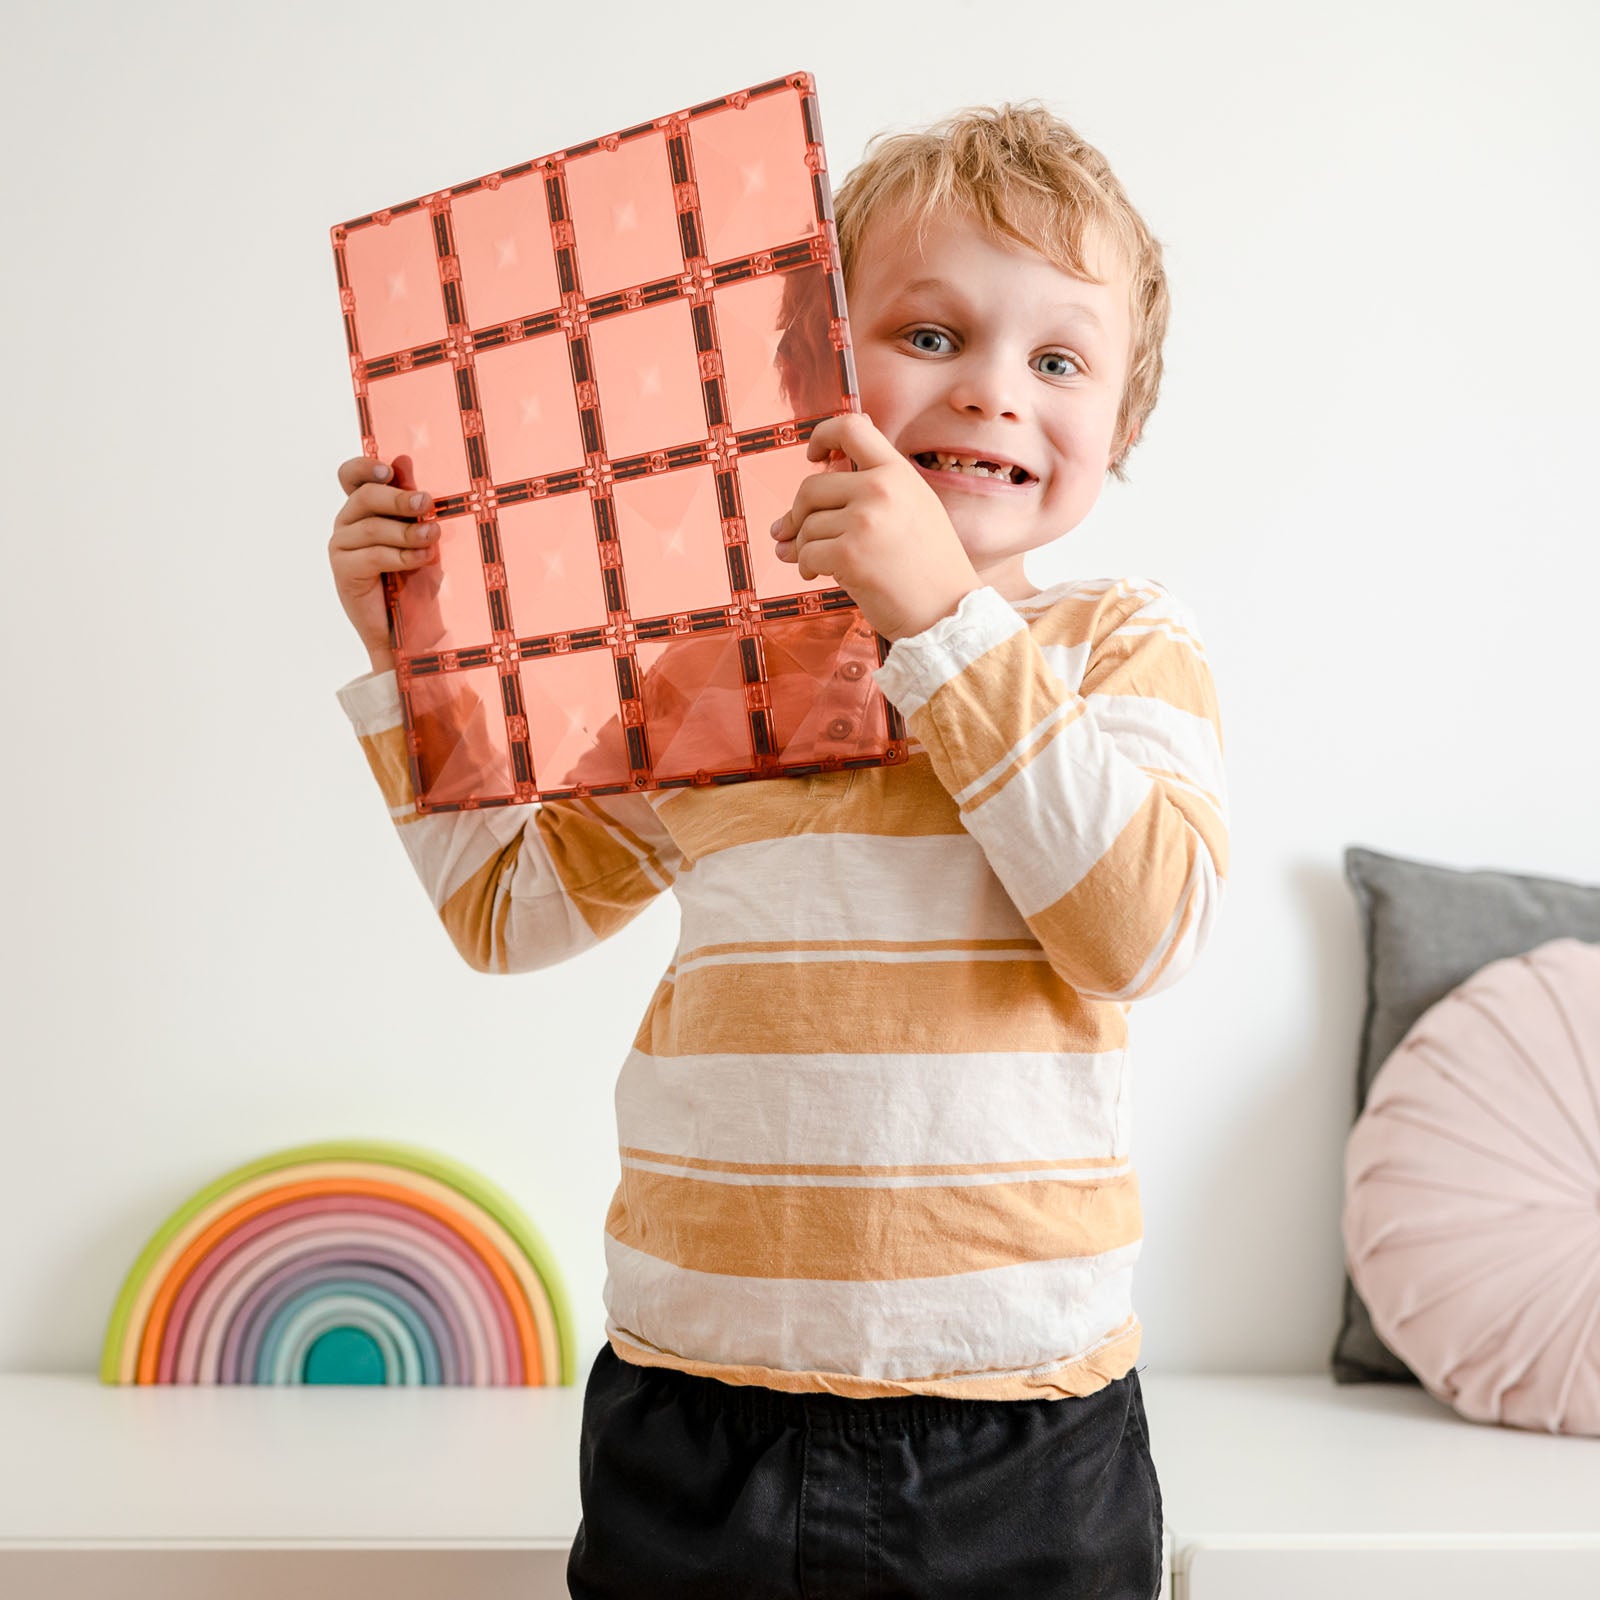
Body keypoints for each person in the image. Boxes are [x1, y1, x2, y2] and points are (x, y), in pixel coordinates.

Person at [327, 99, 1227, 1600]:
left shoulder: (1117, 643)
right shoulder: (708, 671)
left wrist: (943, 622)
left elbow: (1141, 926)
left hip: (1016, 1429)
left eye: (1057, 360)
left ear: (1118, 430)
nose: (995, 393)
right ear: (812, 373)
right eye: (929, 336)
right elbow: (506, 910)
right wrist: (419, 665)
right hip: (695, 1411)